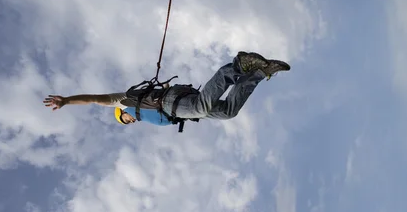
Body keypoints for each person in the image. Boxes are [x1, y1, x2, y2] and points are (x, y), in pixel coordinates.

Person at [43, 51, 290, 128]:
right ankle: (259, 71)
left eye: (126, 121)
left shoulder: (124, 102)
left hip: (173, 102)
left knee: (200, 106)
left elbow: (95, 99)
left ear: (122, 114)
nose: (130, 121)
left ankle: (237, 65)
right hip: (178, 108)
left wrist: (67, 101)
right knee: (227, 112)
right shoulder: (140, 114)